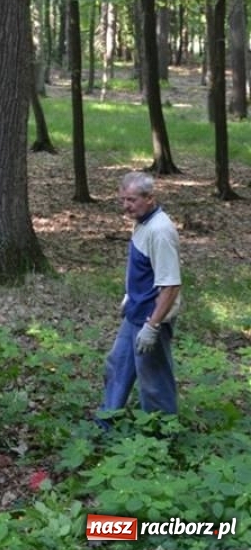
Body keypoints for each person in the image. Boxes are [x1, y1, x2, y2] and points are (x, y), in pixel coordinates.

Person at [100, 171, 181, 421]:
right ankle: (106, 420)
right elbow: (145, 270)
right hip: (136, 312)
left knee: (154, 381)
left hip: (151, 317)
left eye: (131, 200)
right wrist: (130, 295)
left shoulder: (161, 231)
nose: (126, 206)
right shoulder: (143, 222)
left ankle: (161, 434)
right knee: (117, 366)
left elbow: (170, 285)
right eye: (123, 200)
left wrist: (153, 326)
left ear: (150, 198)